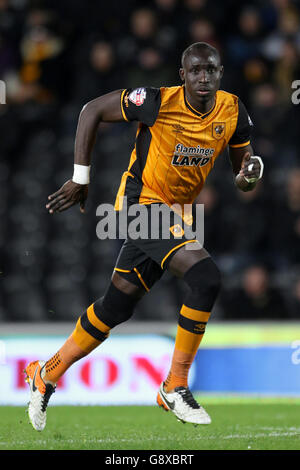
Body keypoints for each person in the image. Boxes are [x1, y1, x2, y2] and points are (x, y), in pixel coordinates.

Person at [24, 42, 263, 431]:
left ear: (221, 74)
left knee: (115, 307)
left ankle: (45, 373)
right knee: (206, 278)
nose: (204, 77)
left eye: (211, 71)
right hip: (141, 205)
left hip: (177, 214)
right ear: (182, 75)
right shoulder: (155, 101)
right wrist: (81, 178)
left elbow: (243, 175)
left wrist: (251, 175)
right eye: (196, 71)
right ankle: (175, 385)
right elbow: (92, 110)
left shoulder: (233, 111)